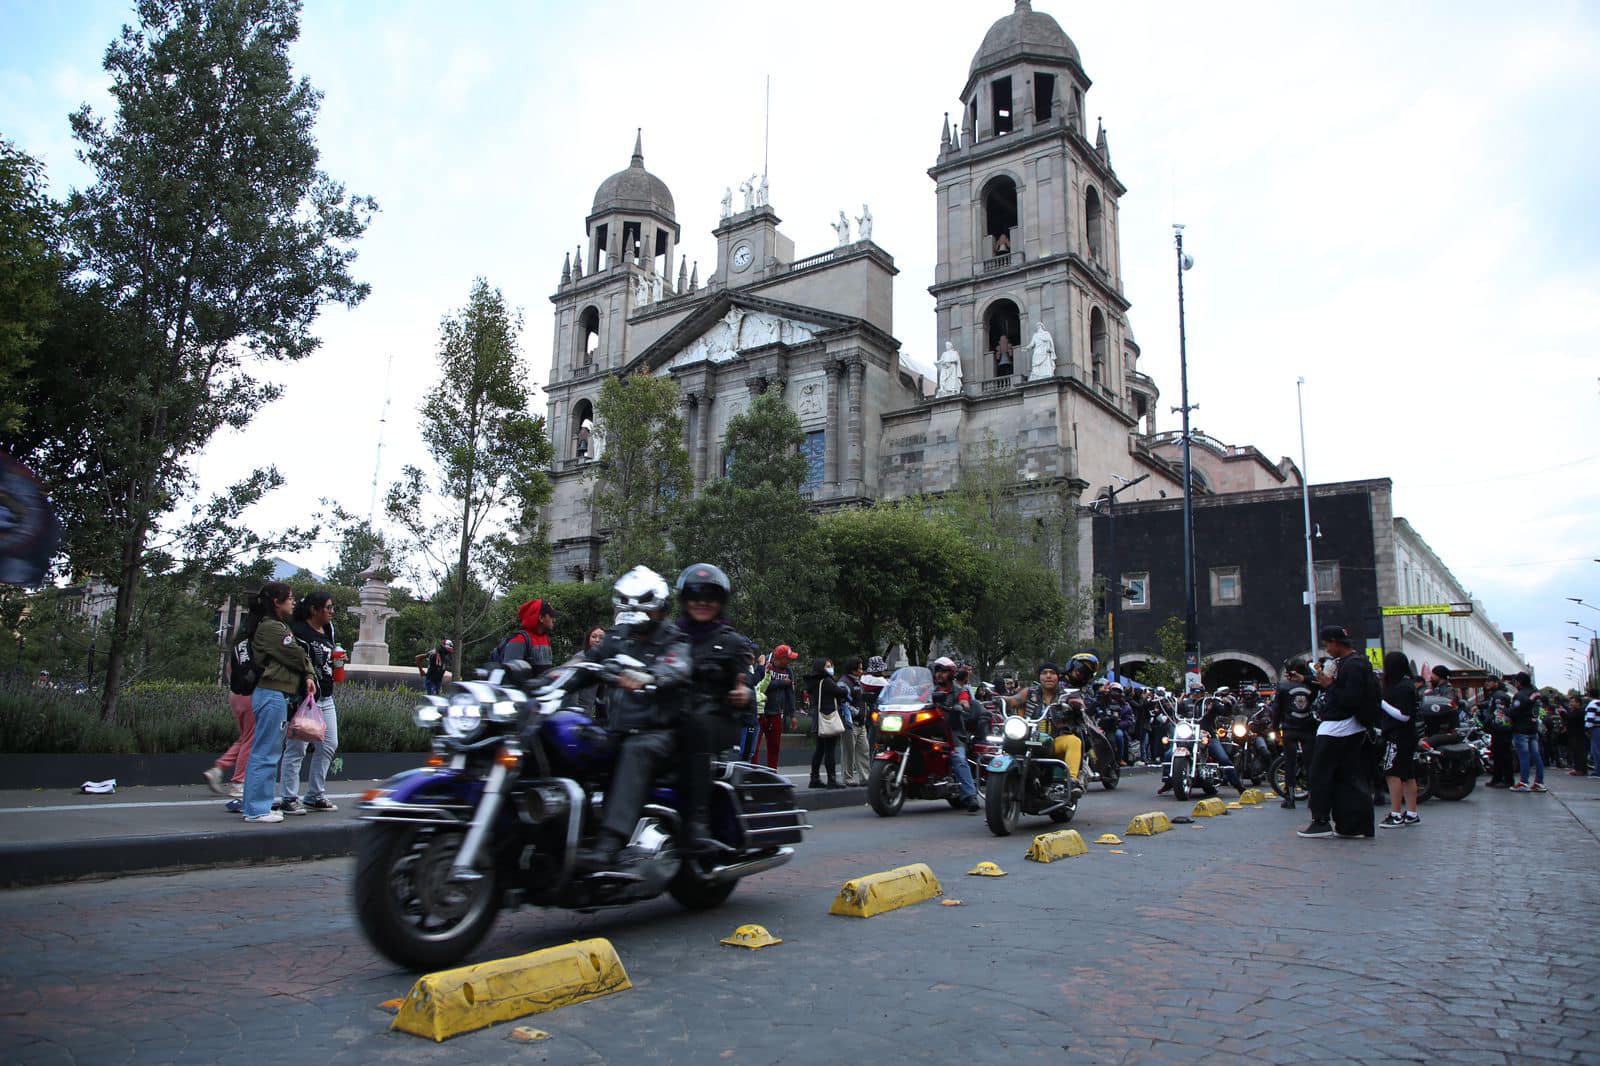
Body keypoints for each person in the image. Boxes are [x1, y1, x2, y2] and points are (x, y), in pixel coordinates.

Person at [572, 566, 692, 874]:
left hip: (661, 732)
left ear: (659, 608)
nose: (636, 615)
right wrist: (545, 681)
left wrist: (648, 677)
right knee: (577, 740)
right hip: (620, 728)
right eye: (629, 606)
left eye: (643, 607)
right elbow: (587, 664)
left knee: (636, 749)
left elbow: (676, 667)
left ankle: (611, 842)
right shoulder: (619, 637)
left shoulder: (674, 639)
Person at [672, 563, 752, 854]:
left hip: (717, 717)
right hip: (672, 716)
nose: (702, 602)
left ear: (721, 602)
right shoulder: (669, 636)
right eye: (695, 595)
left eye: (710, 596)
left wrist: (743, 692)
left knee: (696, 725)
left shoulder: (730, 640)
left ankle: (698, 822)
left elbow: (746, 682)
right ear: (684, 599)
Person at [242, 582, 315, 824]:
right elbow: (296, 655)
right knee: (266, 753)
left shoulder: (275, 626)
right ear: (277, 601)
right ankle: (256, 809)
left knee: (269, 751)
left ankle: (257, 805)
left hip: (275, 694)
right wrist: (308, 670)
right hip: (272, 693)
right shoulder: (272, 628)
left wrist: (307, 674)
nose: (293, 602)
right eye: (290, 598)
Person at [1297, 625, 1376, 839]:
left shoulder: (1353, 665)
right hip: (1343, 726)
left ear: (1335, 641)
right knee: (1346, 776)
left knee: (1321, 774)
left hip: (1340, 726)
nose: (1327, 650)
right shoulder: (1352, 663)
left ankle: (1321, 821)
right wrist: (1308, 680)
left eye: (1327, 645)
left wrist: (1330, 685)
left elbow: (1350, 698)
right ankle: (1351, 824)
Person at [279, 590, 341, 814]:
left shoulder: (328, 629)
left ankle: (315, 794)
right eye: (328, 607)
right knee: (297, 748)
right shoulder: (298, 632)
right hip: (303, 698)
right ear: (314, 609)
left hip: (325, 696)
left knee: (329, 744)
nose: (331, 612)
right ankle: (288, 797)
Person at [929, 656, 980, 811]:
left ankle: (970, 796)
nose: (939, 674)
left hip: (952, 732)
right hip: (930, 730)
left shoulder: (960, 690)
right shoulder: (930, 690)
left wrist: (962, 706)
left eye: (943, 671)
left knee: (958, 758)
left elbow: (965, 702)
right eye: (937, 671)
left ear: (951, 674)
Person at [1378, 650, 1420, 828]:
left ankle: (1395, 814)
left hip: (1398, 734)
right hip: (1408, 735)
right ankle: (1411, 812)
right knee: (1407, 775)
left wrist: (1381, 702)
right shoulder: (1408, 684)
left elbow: (1404, 715)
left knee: (1393, 773)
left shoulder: (1402, 687)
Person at [1272, 661, 1317, 810]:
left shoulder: (1283, 686)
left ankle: (1289, 798)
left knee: (1290, 763)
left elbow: (1277, 709)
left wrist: (1274, 728)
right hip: (1308, 727)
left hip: (1290, 728)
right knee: (1310, 764)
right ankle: (1313, 798)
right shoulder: (1312, 684)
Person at [806, 657, 849, 789]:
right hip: (828, 717)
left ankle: (814, 778)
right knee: (830, 750)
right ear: (821, 668)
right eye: (827, 666)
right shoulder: (827, 682)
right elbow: (841, 692)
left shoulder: (813, 681)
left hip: (818, 719)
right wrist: (845, 690)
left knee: (819, 749)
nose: (830, 668)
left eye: (831, 665)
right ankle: (832, 779)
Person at [754, 645, 796, 768]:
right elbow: (760, 686)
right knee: (754, 746)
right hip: (760, 712)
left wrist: (792, 715)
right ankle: (751, 772)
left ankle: (772, 772)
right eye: (787, 659)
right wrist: (782, 682)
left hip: (776, 713)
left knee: (774, 746)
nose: (789, 661)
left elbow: (790, 694)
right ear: (780, 658)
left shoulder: (788, 671)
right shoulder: (764, 665)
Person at [1507, 672, 1546, 794]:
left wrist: (1506, 710)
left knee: (1524, 756)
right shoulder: (1535, 693)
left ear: (1519, 682)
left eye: (1516, 681)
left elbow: (1514, 712)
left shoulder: (1520, 695)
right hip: (1533, 728)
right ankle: (1539, 782)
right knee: (1536, 755)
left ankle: (1524, 782)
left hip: (1521, 729)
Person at [498, 598, 558, 669]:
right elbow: (509, 673)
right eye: (551, 616)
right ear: (541, 618)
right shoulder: (519, 640)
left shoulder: (545, 638)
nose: (554, 620)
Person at [839, 658, 871, 786]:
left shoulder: (858, 682)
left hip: (861, 723)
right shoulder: (844, 683)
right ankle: (848, 778)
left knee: (864, 750)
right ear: (853, 669)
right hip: (850, 723)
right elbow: (843, 703)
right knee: (848, 752)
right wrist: (857, 713)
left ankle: (865, 777)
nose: (862, 671)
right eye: (860, 668)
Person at [1479, 677, 1515, 788]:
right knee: (1498, 755)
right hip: (1500, 729)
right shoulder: (1496, 694)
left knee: (1503, 755)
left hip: (1501, 730)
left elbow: (1500, 712)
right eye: (1486, 681)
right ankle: (1497, 778)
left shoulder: (1499, 695)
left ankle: (1507, 780)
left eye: (1489, 681)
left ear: (1496, 683)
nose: (1487, 683)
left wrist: (1491, 724)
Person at [573, 625, 608, 721]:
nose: (597, 640)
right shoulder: (580, 659)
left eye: (601, 638)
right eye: (594, 636)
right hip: (580, 712)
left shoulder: (607, 661)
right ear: (588, 639)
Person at [1586, 696, 1600, 779]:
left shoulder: (1593, 704)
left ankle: (1598, 771)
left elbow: (1590, 718)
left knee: (1595, 750)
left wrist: (1587, 728)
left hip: (1596, 728)